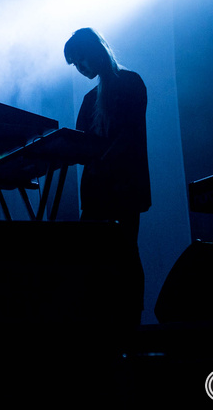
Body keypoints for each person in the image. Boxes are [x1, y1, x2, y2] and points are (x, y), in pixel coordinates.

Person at [64, 27, 151, 330]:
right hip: (98, 192)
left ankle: (128, 326)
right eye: (75, 63)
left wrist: (99, 158)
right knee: (97, 260)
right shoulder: (90, 99)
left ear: (97, 49)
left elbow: (129, 135)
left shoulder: (129, 83)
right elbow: (79, 143)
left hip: (122, 189)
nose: (80, 67)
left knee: (124, 252)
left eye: (81, 59)